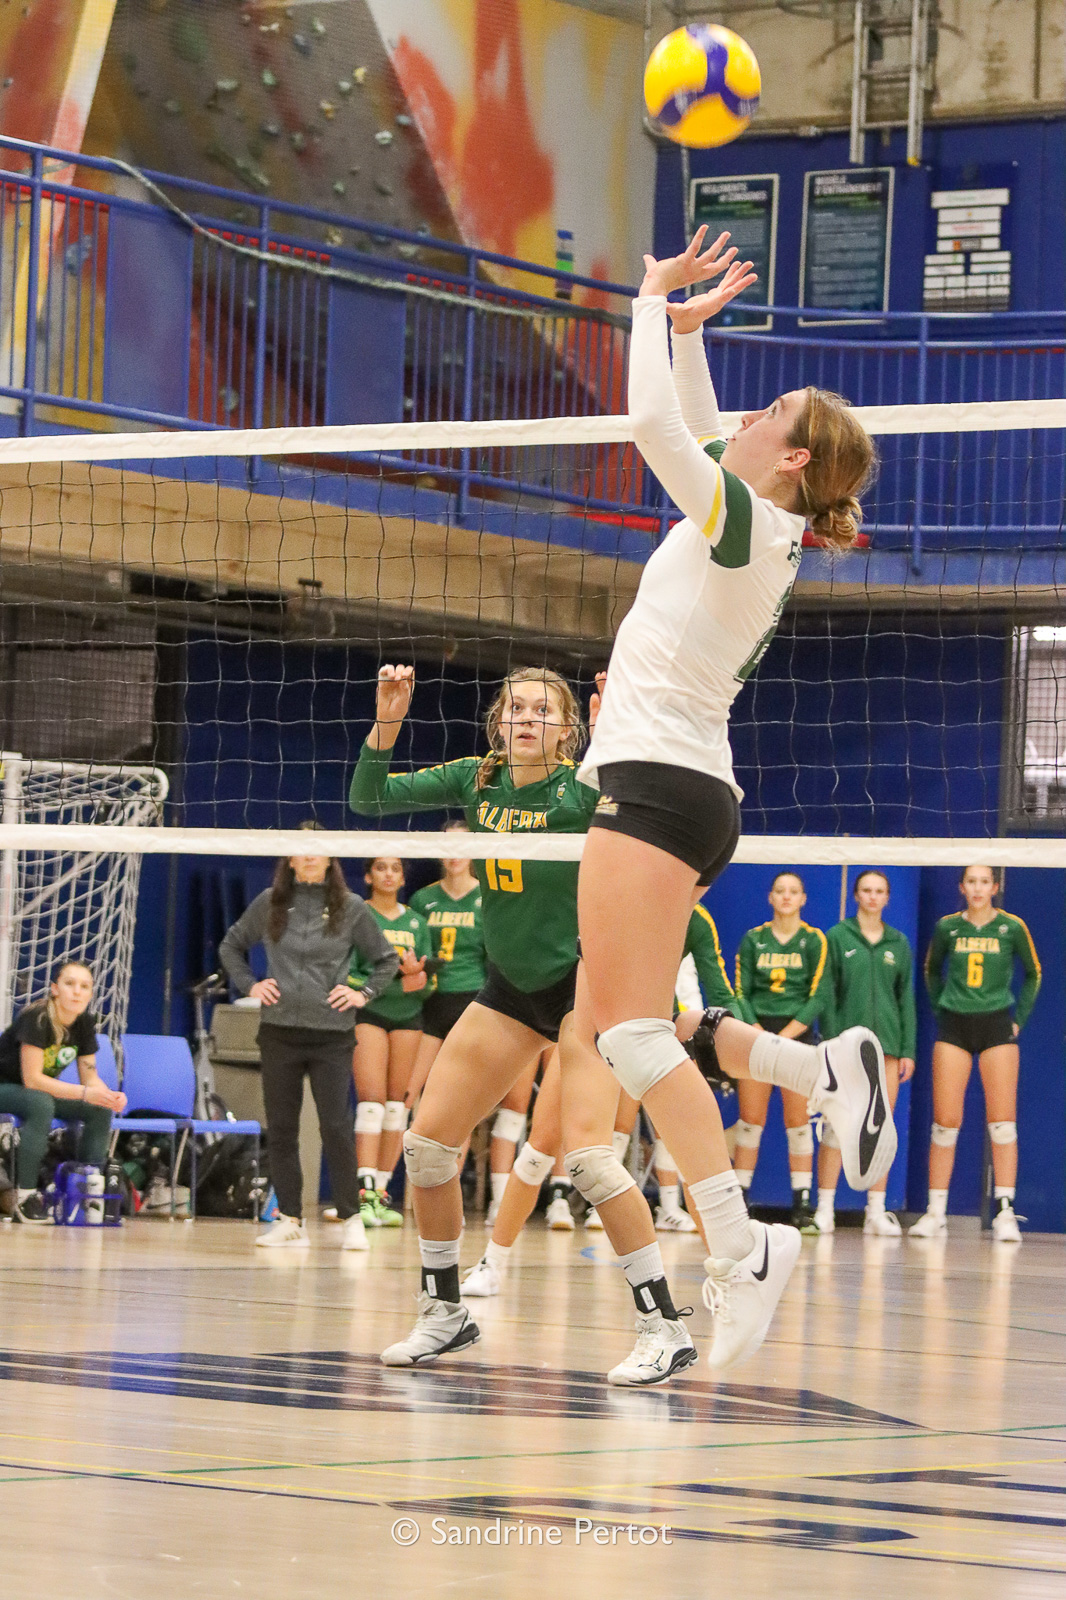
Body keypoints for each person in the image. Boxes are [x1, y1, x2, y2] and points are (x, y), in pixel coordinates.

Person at [568, 224, 893, 1379]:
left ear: (793, 455)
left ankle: (740, 1245)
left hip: (660, 785)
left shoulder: (748, 522)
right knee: (637, 1026)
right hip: (682, 785)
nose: (751, 413)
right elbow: (704, 430)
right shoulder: (754, 514)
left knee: (628, 1035)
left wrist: (647, 302)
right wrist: (689, 335)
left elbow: (656, 429)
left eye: (773, 410)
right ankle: (817, 1074)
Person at [219, 838, 398, 1250]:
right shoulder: (271, 902)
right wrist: (249, 984)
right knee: (282, 1129)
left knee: (335, 1126)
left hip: (331, 1036)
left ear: (330, 857)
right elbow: (231, 946)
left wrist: (362, 994)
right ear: (291, 858)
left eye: (317, 848)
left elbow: (386, 959)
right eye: (301, 849)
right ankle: (290, 1220)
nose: (310, 855)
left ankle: (351, 1218)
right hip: (278, 1032)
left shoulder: (351, 906)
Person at [910, 864, 1040, 1243]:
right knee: (944, 1123)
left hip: (997, 1024)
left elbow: (1033, 973)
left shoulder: (1011, 927)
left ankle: (1005, 1212)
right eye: (972, 881)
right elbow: (931, 970)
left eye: (985, 882)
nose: (978, 888)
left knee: (1002, 1124)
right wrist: (943, 1010)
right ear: (962, 887)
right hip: (955, 1025)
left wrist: (1019, 1020)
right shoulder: (948, 927)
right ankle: (935, 1213)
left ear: (995, 887)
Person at [815, 870, 916, 1237]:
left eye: (879, 891)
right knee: (835, 1125)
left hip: (887, 1047)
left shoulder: (898, 942)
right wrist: (832, 1043)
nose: (873, 896)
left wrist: (907, 1049)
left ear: (887, 897)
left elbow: (905, 998)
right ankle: (824, 1208)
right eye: (866, 890)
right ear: (856, 895)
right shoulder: (838, 936)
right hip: (847, 1048)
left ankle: (876, 1210)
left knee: (880, 1128)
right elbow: (827, 994)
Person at [732, 873, 828, 1231]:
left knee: (798, 1123)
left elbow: (818, 995)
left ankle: (801, 1204)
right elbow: (740, 992)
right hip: (756, 1034)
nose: (786, 897)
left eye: (793, 892)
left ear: (803, 899)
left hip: (796, 1036)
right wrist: (757, 1032)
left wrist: (784, 1038)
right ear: (770, 897)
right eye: (780, 891)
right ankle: (739, 1200)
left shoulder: (814, 940)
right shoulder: (754, 939)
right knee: (749, 1122)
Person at [0, 961, 125, 1224]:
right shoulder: (38, 1018)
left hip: (33, 1092)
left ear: (91, 994)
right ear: (55, 989)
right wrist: (85, 1092)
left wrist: (109, 1096)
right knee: (41, 1103)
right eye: (70, 984)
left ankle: (88, 1190)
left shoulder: (84, 1023)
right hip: (6, 1087)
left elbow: (90, 1077)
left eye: (84, 986)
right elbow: (33, 1079)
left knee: (99, 1108)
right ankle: (25, 1196)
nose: (77, 991)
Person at [348, 856, 433, 1227]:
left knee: (398, 1107)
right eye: (380, 868)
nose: (388, 874)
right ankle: (363, 1193)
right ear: (368, 876)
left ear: (402, 878)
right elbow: (346, 973)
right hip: (369, 1013)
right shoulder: (358, 915)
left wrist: (418, 980)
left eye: (395, 869)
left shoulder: (417, 922)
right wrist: (379, 984)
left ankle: (381, 1194)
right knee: (371, 1103)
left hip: (408, 1016)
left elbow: (429, 981)